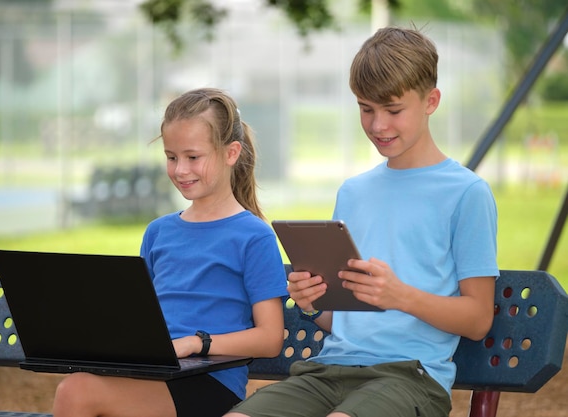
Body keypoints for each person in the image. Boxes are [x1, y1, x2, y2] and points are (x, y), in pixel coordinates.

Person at [225, 26, 499, 417]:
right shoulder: (353, 192)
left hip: (410, 378)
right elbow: (345, 320)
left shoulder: (466, 193)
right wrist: (312, 302)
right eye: (365, 108)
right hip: (327, 372)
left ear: (431, 101)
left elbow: (477, 320)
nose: (377, 126)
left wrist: (400, 295)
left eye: (393, 110)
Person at [52, 88, 289, 417]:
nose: (180, 169)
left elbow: (269, 338)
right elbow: (139, 317)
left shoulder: (254, 236)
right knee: (78, 384)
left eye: (193, 157)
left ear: (231, 153)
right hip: (150, 373)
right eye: (171, 156)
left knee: (77, 392)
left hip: (209, 384)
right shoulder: (158, 232)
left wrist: (198, 343)